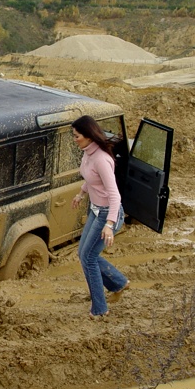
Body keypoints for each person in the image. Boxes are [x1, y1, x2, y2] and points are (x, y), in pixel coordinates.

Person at [71, 115, 129, 318]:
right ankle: (119, 283)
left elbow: (114, 194)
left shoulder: (102, 159)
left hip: (107, 214)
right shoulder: (88, 153)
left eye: (77, 136)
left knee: (88, 258)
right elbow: (90, 178)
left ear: (88, 136)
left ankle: (99, 309)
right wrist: (81, 193)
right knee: (84, 254)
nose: (74, 139)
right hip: (95, 210)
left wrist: (110, 224)